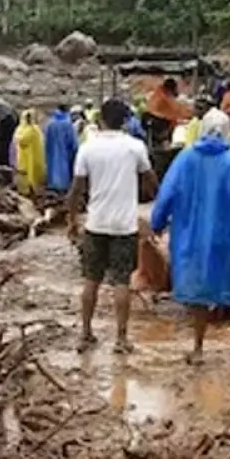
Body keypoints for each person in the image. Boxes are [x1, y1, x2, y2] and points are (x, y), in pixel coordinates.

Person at [152, 109, 230, 365]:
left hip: (192, 237)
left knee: (199, 293)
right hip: (229, 236)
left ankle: (198, 349)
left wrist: (157, 223)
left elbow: (167, 193)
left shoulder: (185, 158)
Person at [71, 98, 153, 353]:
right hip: (124, 225)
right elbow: (150, 180)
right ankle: (121, 339)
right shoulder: (135, 147)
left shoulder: (88, 147)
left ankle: (85, 333)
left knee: (91, 280)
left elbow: (76, 190)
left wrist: (72, 219)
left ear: (101, 120)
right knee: (121, 282)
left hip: (96, 222)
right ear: (125, 121)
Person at [44, 104, 79, 193]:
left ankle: (52, 184)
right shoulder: (67, 124)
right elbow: (73, 141)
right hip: (65, 152)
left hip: (51, 152)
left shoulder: (50, 123)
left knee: (53, 166)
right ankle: (62, 187)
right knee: (63, 168)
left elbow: (45, 138)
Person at [14, 108, 47, 194]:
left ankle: (32, 190)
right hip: (25, 156)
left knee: (32, 173)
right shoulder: (27, 129)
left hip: (32, 155)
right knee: (25, 173)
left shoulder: (32, 129)